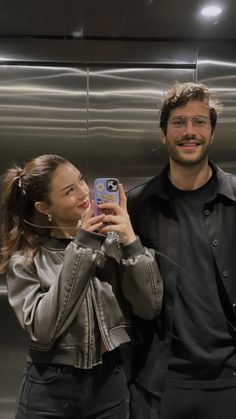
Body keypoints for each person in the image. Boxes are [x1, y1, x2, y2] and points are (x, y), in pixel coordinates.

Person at [0, 154, 163, 419]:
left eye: (80, 180)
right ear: (44, 207)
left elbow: (149, 306)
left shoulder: (112, 244)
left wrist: (131, 241)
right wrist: (84, 245)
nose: (83, 193)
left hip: (109, 380)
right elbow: (42, 331)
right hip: (50, 387)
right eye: (69, 191)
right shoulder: (26, 260)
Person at [126, 82, 236, 419]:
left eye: (200, 121)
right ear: (163, 134)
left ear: (212, 132)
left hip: (230, 379)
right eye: (178, 122)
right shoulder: (136, 205)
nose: (190, 131)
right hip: (158, 384)